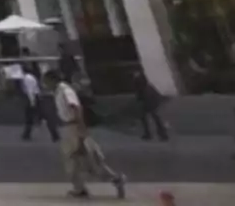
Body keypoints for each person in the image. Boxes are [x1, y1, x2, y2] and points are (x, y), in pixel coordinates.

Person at [45, 70, 126, 199]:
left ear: (52, 80)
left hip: (73, 127)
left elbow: (76, 107)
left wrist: (81, 128)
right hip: (69, 127)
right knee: (77, 160)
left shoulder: (65, 90)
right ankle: (81, 187)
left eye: (46, 81)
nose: (45, 85)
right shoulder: (58, 91)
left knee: (84, 159)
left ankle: (114, 179)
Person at [21, 69, 56, 141]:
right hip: (35, 98)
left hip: (33, 98)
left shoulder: (27, 79)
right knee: (41, 116)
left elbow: (30, 91)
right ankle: (54, 134)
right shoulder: (28, 77)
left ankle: (27, 134)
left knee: (31, 116)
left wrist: (32, 102)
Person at [133, 72, 168, 141]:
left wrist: (140, 100)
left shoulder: (141, 85)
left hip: (149, 101)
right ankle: (161, 134)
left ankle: (152, 134)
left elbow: (141, 94)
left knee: (149, 117)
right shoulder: (147, 85)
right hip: (150, 100)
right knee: (154, 118)